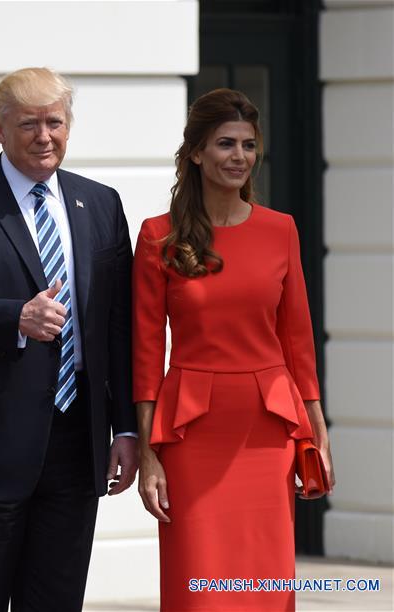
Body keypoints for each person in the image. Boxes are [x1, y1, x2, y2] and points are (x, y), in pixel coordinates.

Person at [0, 67, 138, 611]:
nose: (44, 136)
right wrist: (14, 317)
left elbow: (118, 326)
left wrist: (126, 427)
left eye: (55, 122)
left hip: (76, 443)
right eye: (29, 123)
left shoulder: (100, 203)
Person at [133, 88, 335, 611]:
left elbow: (298, 340)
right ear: (196, 152)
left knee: (263, 582)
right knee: (197, 584)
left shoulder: (280, 230)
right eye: (225, 143)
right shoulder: (159, 237)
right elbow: (146, 350)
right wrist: (149, 454)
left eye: (248, 144)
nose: (239, 156)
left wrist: (315, 427)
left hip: (268, 428)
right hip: (190, 434)